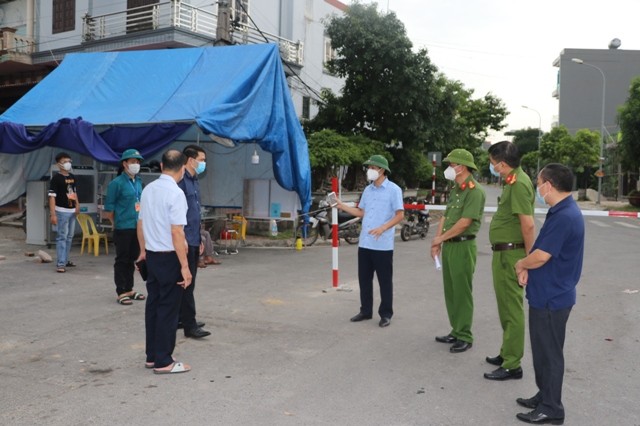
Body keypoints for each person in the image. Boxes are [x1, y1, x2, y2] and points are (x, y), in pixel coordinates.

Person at [513, 164, 584, 425]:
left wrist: (521, 264)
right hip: (546, 293)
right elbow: (544, 250)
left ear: (549, 185)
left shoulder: (565, 215)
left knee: (550, 354)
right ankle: (545, 395)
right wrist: (529, 271)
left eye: (539, 182)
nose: (537, 187)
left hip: (553, 298)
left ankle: (552, 408)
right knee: (542, 352)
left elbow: (542, 256)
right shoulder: (560, 211)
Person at [136, 150, 193, 374]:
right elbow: (177, 232)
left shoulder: (148, 189)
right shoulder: (176, 193)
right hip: (169, 257)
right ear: (182, 169)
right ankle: (163, 361)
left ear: (161, 166)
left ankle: (153, 355)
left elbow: (140, 224)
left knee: (154, 305)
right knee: (169, 308)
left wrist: (142, 251)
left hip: (151, 254)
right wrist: (185, 267)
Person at [484, 141, 535, 380]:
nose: (492, 166)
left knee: (512, 309)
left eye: (493, 163)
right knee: (504, 306)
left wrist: (528, 261)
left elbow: (528, 224)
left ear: (502, 164)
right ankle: (507, 353)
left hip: (513, 255)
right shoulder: (512, 181)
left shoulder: (520, 184)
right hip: (503, 252)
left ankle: (512, 364)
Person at [336, 154, 404, 328]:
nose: (369, 171)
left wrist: (383, 228)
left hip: (382, 244)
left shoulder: (394, 190)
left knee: (384, 280)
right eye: (369, 168)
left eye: (372, 168)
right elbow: (361, 212)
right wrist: (341, 205)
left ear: (381, 170)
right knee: (364, 279)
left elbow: (400, 215)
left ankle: (386, 313)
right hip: (365, 242)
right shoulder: (368, 190)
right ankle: (365, 311)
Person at [431, 149, 485, 353]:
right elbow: (445, 217)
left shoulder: (474, 190)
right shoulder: (456, 188)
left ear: (461, 166)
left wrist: (441, 239)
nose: (449, 168)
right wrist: (437, 242)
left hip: (463, 245)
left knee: (462, 292)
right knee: (451, 290)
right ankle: (456, 329)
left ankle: (465, 335)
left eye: (451, 164)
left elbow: (464, 223)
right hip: (449, 245)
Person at [103, 149, 146, 305]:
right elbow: (109, 209)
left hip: (137, 226)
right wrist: (116, 223)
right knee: (122, 259)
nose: (136, 165)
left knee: (132, 259)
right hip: (123, 227)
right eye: (133, 162)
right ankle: (121, 291)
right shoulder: (116, 183)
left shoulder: (139, 182)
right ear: (125, 163)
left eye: (138, 162)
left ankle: (129, 288)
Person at [176, 145, 211, 338]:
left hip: (194, 238)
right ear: (190, 160)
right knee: (187, 283)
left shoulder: (194, 180)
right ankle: (190, 326)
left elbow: (195, 213)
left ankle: (182, 318)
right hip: (184, 240)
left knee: (189, 282)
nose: (203, 164)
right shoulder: (180, 181)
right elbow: (178, 216)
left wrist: (200, 237)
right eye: (202, 159)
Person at [48, 152, 80, 273]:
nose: (68, 163)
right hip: (61, 211)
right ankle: (60, 263)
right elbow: (52, 197)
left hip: (72, 211)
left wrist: (77, 205)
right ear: (59, 164)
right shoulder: (56, 179)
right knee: (62, 237)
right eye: (65, 161)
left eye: (69, 161)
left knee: (69, 236)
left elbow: (74, 192)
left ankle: (65, 260)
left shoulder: (72, 177)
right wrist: (53, 214)